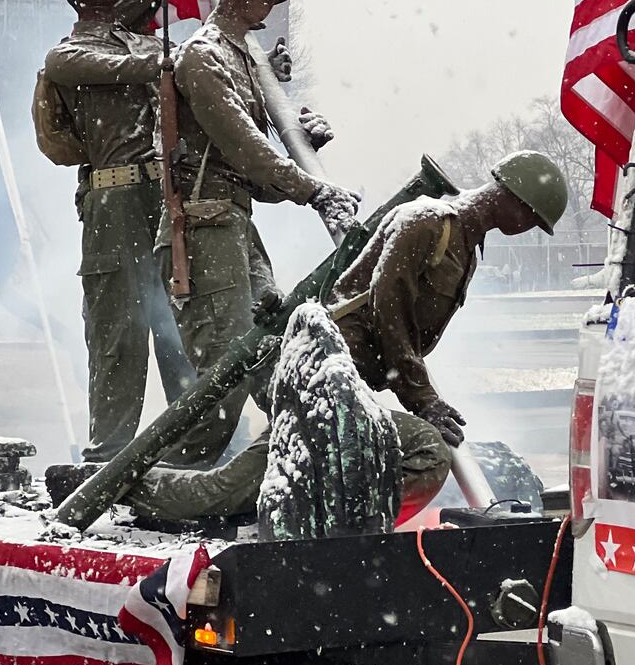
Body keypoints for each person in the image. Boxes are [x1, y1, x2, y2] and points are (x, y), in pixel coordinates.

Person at [120, 150, 569, 526]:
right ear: (514, 201)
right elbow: (387, 311)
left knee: (233, 488)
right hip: (320, 377)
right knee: (426, 451)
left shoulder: (464, 247)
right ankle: (120, 486)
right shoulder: (426, 222)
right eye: (532, 217)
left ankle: (303, 515)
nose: (529, 226)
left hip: (341, 386)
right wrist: (422, 398)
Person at [152, 0, 356, 470]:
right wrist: (313, 188)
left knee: (270, 345)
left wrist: (307, 150)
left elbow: (256, 175)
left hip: (233, 222)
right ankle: (171, 481)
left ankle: (291, 462)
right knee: (228, 370)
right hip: (203, 224)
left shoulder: (244, 59)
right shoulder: (204, 56)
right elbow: (244, 147)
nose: (270, 4)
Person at [34, 0, 199, 461]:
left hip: (164, 196)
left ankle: (196, 446)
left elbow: (192, 88)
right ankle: (109, 454)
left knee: (180, 326)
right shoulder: (67, 57)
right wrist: (161, 62)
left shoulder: (154, 51)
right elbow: (108, 70)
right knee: (116, 334)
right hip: (112, 201)